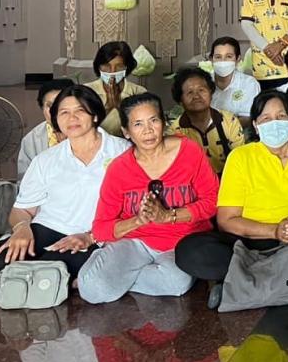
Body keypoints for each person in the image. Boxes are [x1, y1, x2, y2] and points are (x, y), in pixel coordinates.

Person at [174, 91, 288, 308]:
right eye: (266, 119)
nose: (274, 123)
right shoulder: (240, 157)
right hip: (246, 243)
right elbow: (226, 221)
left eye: (281, 116)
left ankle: (239, 279)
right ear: (256, 126)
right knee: (189, 251)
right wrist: (274, 231)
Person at [78, 93, 219, 303]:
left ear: (164, 122)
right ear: (126, 132)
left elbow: (212, 201)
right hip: (135, 242)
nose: (148, 130)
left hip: (182, 242)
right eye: (138, 124)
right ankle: (112, 274)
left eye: (154, 120)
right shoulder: (119, 168)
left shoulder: (189, 151)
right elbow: (100, 228)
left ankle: (117, 279)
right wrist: (138, 220)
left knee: (175, 283)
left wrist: (168, 216)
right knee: (92, 289)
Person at [0, 84, 131, 278]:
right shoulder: (46, 159)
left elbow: (132, 207)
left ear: (95, 115)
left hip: (93, 233)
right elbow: (22, 210)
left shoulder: (122, 152)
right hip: (48, 227)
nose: (72, 118)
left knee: (53, 269)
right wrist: (21, 228)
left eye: (80, 111)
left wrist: (91, 236)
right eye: (64, 113)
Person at [168, 66, 246, 175]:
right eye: (190, 92)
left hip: (229, 178)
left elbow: (240, 159)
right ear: (180, 100)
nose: (196, 96)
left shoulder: (230, 121)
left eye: (201, 90)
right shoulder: (174, 131)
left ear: (211, 93)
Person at [84, 40, 147, 135]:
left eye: (119, 66)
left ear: (127, 67)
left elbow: (141, 128)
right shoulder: (86, 91)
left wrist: (119, 106)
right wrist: (108, 106)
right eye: (107, 66)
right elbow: (84, 127)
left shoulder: (139, 92)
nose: (112, 71)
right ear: (99, 67)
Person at [17, 77, 72, 178]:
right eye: (50, 106)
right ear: (42, 109)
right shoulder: (31, 140)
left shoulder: (89, 133)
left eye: (62, 104)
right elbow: (25, 180)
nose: (55, 111)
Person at [208, 36, 261, 122]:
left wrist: (224, 128)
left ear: (238, 59)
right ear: (211, 59)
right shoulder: (204, 83)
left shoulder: (249, 84)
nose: (223, 61)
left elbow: (248, 118)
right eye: (218, 57)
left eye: (229, 56)